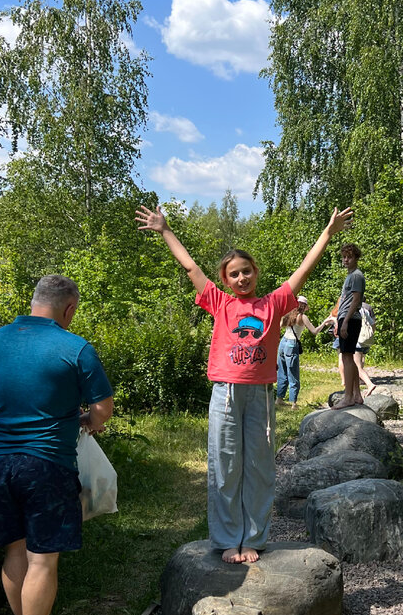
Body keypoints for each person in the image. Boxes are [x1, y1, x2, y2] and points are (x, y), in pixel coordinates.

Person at [135, 203, 353, 563]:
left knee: (258, 467)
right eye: (234, 274)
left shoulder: (273, 304)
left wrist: (328, 232)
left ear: (255, 272)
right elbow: (190, 266)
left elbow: (304, 268)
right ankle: (225, 540)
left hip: (260, 396)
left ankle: (252, 538)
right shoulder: (219, 303)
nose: (241, 278)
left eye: (246, 271)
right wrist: (165, 229)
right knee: (224, 465)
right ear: (225, 280)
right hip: (225, 394)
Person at [0, 275, 114, 615]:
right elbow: (102, 412)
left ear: (35, 301)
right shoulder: (75, 348)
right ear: (69, 308)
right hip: (45, 463)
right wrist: (85, 419)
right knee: (42, 560)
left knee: (14, 551)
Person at [331, 242, 365, 408]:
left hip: (351, 319)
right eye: (344, 257)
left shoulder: (357, 275)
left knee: (347, 357)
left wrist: (345, 322)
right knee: (349, 356)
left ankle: (349, 396)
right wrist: (339, 321)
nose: (346, 260)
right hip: (345, 318)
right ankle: (357, 395)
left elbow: (356, 300)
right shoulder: (350, 276)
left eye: (349, 257)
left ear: (356, 258)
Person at [276, 295, 326, 407]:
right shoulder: (302, 317)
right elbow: (314, 331)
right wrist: (325, 323)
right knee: (293, 374)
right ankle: (293, 403)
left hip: (283, 343)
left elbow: (278, 327)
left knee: (282, 372)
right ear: (304, 306)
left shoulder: (288, 314)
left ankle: (279, 399)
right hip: (291, 344)